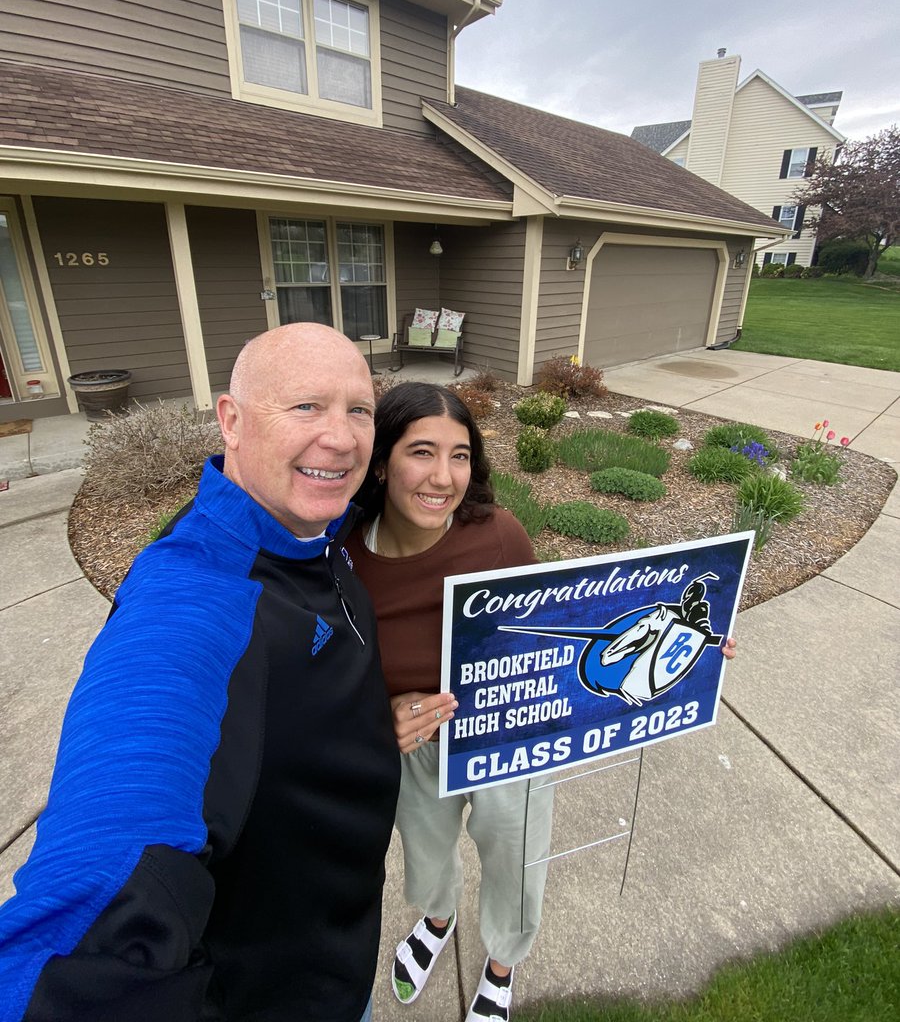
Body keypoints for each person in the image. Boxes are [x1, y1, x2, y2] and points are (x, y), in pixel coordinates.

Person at [0, 324, 400, 1022]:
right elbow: (88, 916)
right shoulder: (194, 600)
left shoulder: (313, 530)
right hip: (277, 995)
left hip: (341, 945)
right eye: (306, 406)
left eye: (358, 409)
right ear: (231, 421)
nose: (341, 438)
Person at [345, 381, 737, 1022]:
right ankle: (438, 920)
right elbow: (336, 672)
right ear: (383, 461)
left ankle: (501, 964)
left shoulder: (499, 536)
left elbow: (579, 627)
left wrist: (696, 644)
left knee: (513, 851)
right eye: (422, 452)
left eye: (461, 455)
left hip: (511, 736)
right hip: (416, 750)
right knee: (424, 847)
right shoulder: (348, 559)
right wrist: (375, 717)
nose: (443, 477)